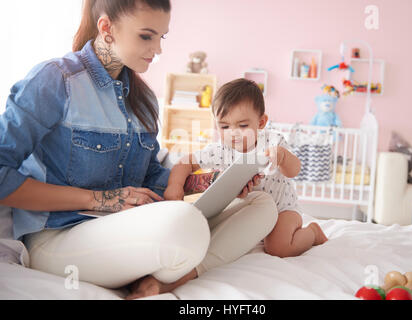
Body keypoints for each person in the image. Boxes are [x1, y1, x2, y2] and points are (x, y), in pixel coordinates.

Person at [0, 0, 277, 299]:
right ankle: (172, 261)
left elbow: (151, 176)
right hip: (58, 235)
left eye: (162, 37)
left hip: (126, 228)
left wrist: (211, 183)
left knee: (261, 205)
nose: (157, 49)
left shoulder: (144, 102)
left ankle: (166, 281)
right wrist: (101, 199)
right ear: (107, 28)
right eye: (147, 36)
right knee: (187, 226)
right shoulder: (55, 81)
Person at [166, 79, 328, 259]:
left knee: (279, 248)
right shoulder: (220, 151)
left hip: (282, 208)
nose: (233, 133)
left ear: (261, 122)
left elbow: (294, 171)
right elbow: (184, 162)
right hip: (249, 211)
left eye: (242, 125)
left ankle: (313, 233)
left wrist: (282, 156)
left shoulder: (273, 142)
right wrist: (175, 186)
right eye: (224, 126)